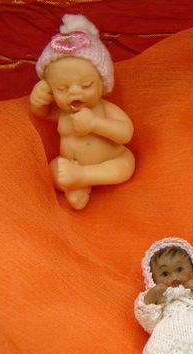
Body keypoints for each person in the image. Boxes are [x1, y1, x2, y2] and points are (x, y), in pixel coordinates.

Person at [31, 14, 135, 210]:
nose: (74, 93)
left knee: (125, 166)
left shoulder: (103, 108)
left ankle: (82, 178)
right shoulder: (63, 113)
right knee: (54, 169)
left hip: (111, 159)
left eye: (86, 85)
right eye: (62, 88)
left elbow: (126, 133)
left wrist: (95, 123)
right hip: (72, 163)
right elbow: (43, 114)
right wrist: (38, 102)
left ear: (103, 83)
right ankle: (75, 183)